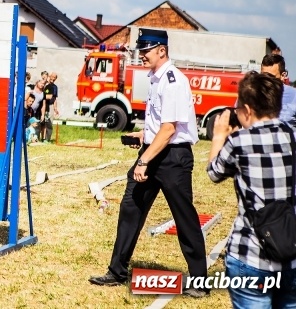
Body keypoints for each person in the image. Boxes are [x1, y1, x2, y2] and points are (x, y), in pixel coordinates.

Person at [90, 28, 208, 298]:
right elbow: (159, 125)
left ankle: (200, 282)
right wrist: (143, 135)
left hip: (173, 158)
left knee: (184, 218)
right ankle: (117, 271)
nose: (141, 55)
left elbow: (170, 129)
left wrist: (143, 159)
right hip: (154, 150)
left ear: (162, 50)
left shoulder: (173, 79)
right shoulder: (155, 78)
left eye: (146, 50)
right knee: (130, 209)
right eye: (140, 50)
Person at [207, 71, 296, 307]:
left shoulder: (240, 142)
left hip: (251, 253)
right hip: (291, 253)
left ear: (247, 110)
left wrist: (218, 137)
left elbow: (214, 173)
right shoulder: (292, 136)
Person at [260, 53, 296, 126]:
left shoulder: (294, 96)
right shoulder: (250, 93)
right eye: (263, 76)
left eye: (271, 77)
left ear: (283, 76)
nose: (266, 80)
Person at [40, 72, 59, 141]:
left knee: (48, 122)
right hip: (41, 105)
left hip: (49, 106)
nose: (53, 79)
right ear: (49, 77)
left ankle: (47, 139)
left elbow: (53, 98)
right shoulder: (43, 85)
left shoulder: (54, 87)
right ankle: (40, 137)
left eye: (55, 77)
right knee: (41, 122)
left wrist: (55, 108)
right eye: (52, 77)